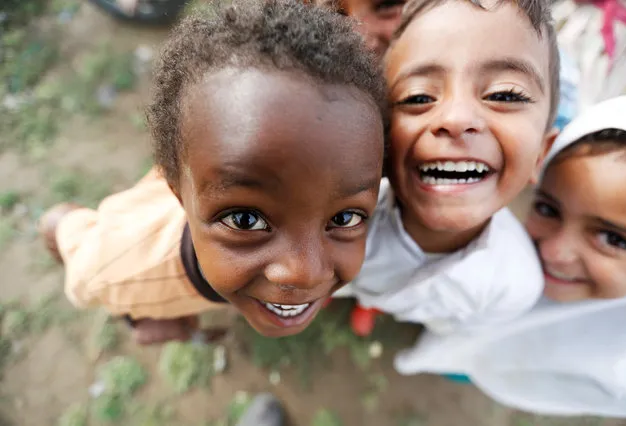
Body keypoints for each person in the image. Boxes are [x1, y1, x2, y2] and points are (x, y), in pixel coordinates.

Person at [39, 0, 386, 344]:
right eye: (245, 220)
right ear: (177, 193)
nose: (306, 273)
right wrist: (134, 317)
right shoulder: (116, 271)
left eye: (344, 218)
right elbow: (61, 231)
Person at [336, 0, 562, 376]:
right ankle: (369, 301)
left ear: (540, 153)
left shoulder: (516, 282)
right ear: (381, 138)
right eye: (418, 98)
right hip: (363, 279)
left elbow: (465, 328)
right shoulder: (345, 223)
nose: (456, 119)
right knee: (364, 286)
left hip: (433, 314)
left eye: (505, 95)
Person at [423, 95, 626, 417]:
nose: (553, 251)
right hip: (462, 314)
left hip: (507, 367)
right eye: (547, 209)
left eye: (613, 239)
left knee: (472, 362)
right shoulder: (494, 248)